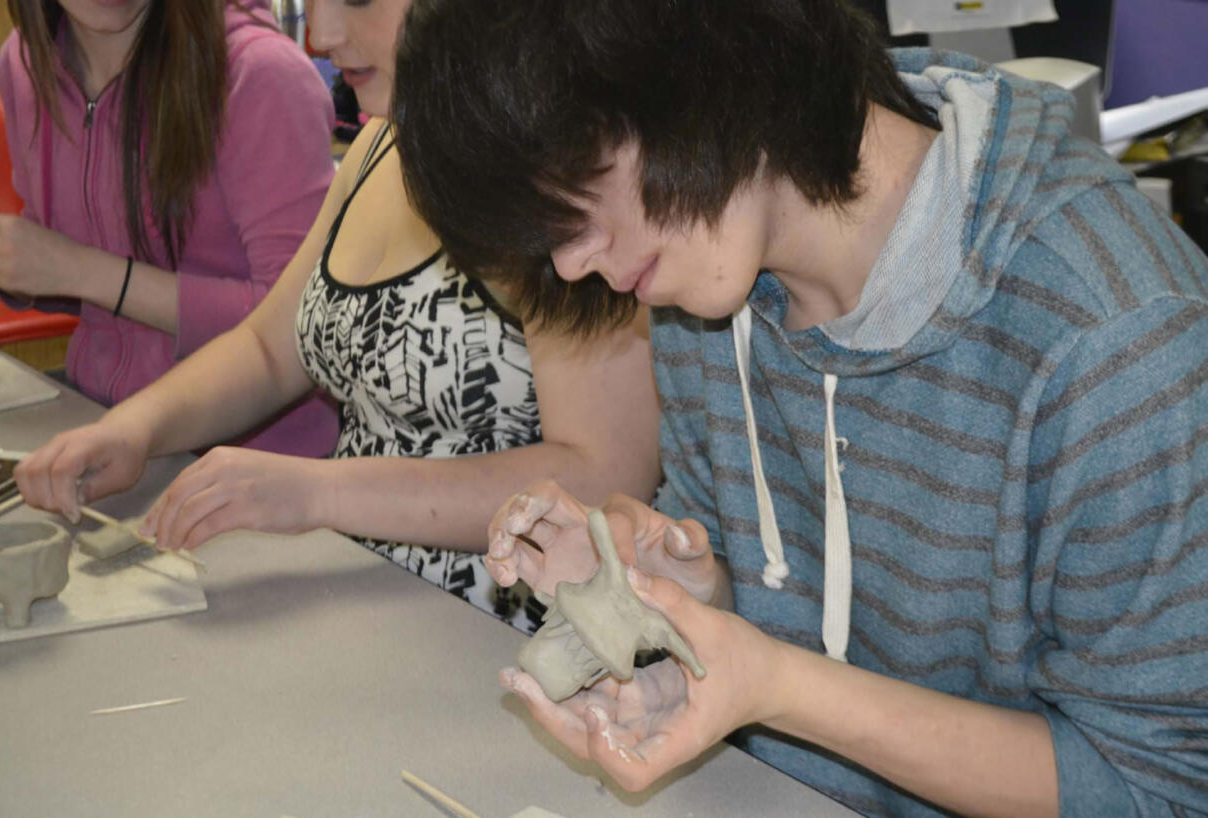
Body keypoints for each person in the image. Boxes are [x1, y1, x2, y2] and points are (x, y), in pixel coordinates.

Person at [390, 0, 1208, 815]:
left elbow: (1154, 789)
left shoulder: (1118, 338)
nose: (569, 264)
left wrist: (777, 688)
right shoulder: (703, 285)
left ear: (698, 60)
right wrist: (680, 597)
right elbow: (752, 587)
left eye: (576, 188)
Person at [13, 0, 660, 635]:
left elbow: (603, 473)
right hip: (357, 597)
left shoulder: (558, 160)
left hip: (496, 632)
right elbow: (271, 349)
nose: (320, 33)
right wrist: (135, 429)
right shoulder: (381, 141)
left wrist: (316, 492)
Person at [0, 0, 337, 455]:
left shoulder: (259, 72)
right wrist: (16, 266)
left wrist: (79, 270)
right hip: (99, 419)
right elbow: (68, 252)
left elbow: (303, 326)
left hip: (252, 459)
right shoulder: (25, 61)